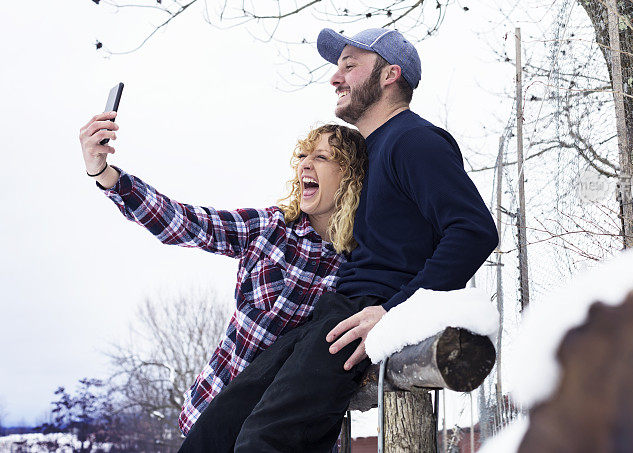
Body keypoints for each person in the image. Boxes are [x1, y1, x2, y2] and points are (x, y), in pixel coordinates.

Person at [179, 28, 499, 452]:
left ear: (389, 75)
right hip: (332, 313)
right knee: (214, 429)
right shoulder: (371, 153)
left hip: (361, 314)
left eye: (350, 65)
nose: (335, 77)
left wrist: (394, 312)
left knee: (264, 440)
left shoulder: (414, 141)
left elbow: (474, 230)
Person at [78, 115, 367, 435]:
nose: (305, 165)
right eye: (303, 155)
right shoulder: (268, 229)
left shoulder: (356, 265)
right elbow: (184, 222)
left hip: (277, 434)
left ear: (349, 177)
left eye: (322, 157)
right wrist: (106, 174)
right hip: (210, 417)